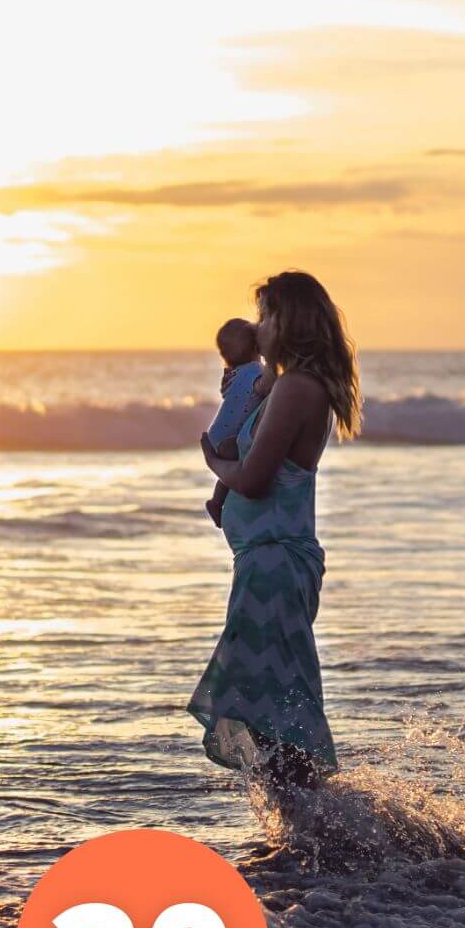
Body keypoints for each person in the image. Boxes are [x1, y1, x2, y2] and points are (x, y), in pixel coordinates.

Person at [188, 270, 363, 794]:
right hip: (267, 562)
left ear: (286, 321)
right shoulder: (285, 385)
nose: (257, 326)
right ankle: (305, 825)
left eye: (265, 316)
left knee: (272, 705)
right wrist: (247, 381)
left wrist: (213, 464)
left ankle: (309, 824)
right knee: (274, 698)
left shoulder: (295, 389)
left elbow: (255, 478)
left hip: (274, 564)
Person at [204, 319, 273, 528]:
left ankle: (217, 503)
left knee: (235, 469)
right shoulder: (255, 371)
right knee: (240, 469)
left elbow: (229, 393)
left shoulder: (234, 374)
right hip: (228, 437)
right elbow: (264, 387)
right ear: (255, 347)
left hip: (218, 434)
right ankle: (217, 503)